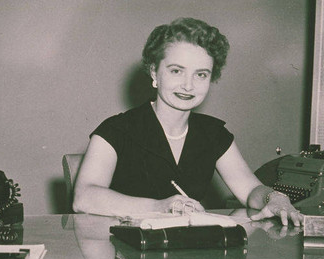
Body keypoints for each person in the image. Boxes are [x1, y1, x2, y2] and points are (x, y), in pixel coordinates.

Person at [73, 17, 303, 227]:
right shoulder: (115, 130)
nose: (188, 85)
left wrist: (275, 198)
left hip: (190, 258)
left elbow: (251, 189)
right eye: (176, 71)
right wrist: (159, 207)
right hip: (125, 257)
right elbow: (84, 198)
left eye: (201, 74)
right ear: (154, 72)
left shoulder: (213, 133)